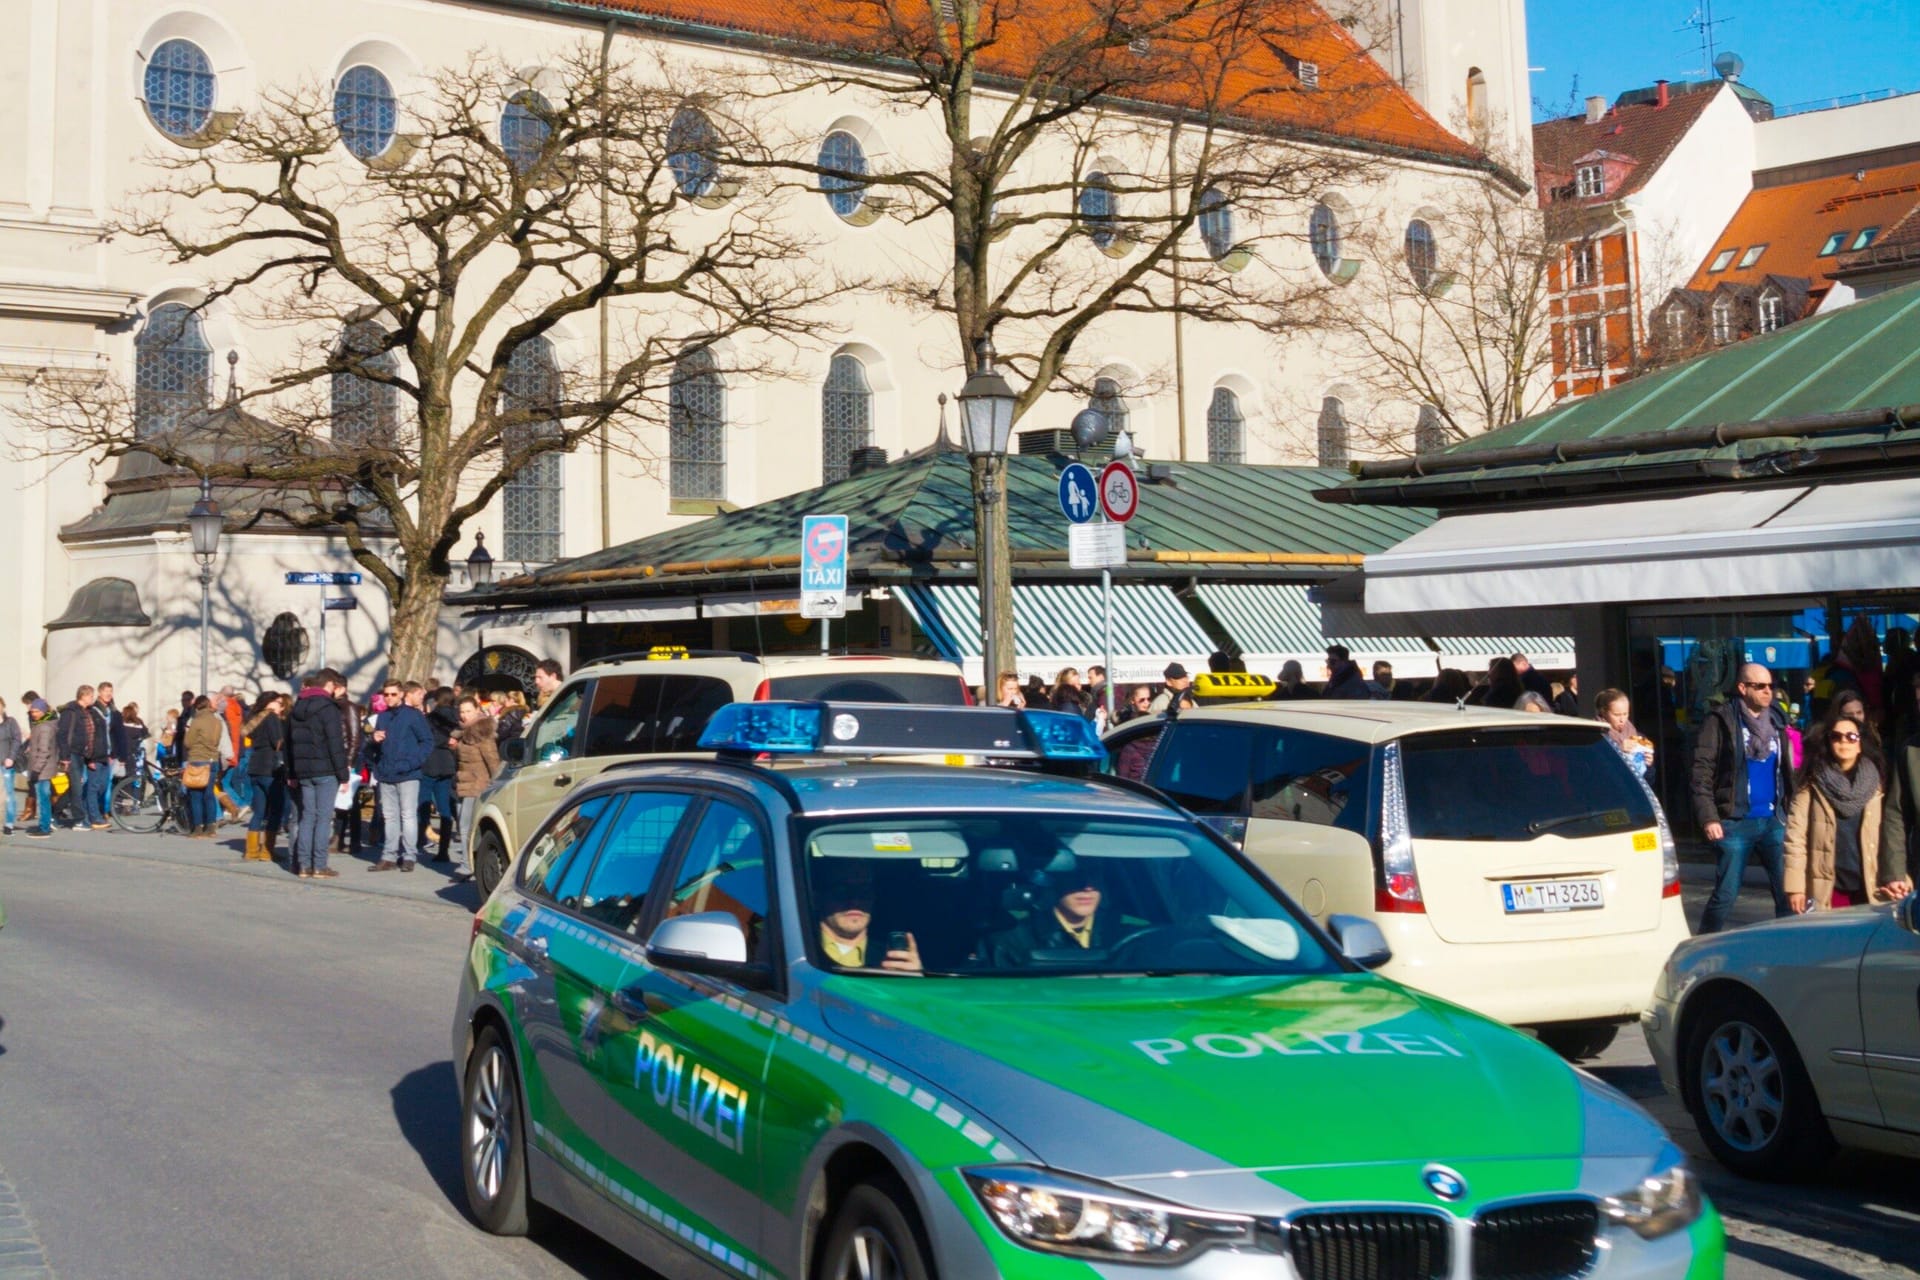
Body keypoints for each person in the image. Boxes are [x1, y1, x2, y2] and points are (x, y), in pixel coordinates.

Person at [1691, 663, 1795, 933]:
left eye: (1770, 686)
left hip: (1774, 819)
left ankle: (1790, 947)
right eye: (1760, 686)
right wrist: (1709, 817)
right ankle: (1703, 943)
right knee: (1726, 894)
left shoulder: (1777, 720)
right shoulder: (1720, 720)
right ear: (1742, 688)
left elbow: (1787, 771)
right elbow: (1702, 771)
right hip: (1735, 821)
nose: (1767, 691)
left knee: (1787, 891)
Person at [1785, 710, 1911, 912]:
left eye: (1851, 736)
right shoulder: (1811, 784)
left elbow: (1893, 831)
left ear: (1860, 743)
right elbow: (1795, 838)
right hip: (1828, 887)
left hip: (1872, 883)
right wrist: (1796, 887)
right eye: (1836, 736)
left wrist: (1899, 876)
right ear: (1828, 742)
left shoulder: (1879, 784)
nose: (1844, 741)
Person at [986, 861, 1115, 967]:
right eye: (1075, 876)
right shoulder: (1011, 941)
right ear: (1052, 881)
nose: (1088, 886)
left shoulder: (1127, 934)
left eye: (1094, 875)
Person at [289, 669, 349, 878]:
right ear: (329, 684)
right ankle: (319, 865)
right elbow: (336, 744)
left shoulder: (297, 706)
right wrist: (344, 775)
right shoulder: (328, 708)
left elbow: (289, 743)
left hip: (303, 771)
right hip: (326, 769)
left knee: (307, 817)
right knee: (323, 818)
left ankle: (304, 865)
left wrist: (292, 772)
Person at [367, 680, 433, 873]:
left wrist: (412, 763)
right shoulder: (382, 716)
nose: (389, 698)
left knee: (408, 815)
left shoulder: (413, 716)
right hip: (386, 772)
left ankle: (409, 856)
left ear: (402, 694)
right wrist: (374, 742)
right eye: (386, 694)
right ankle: (388, 855)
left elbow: (427, 741)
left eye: (393, 694)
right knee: (389, 817)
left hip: (408, 773)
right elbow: (373, 748)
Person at [813, 863, 919, 971]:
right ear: (817, 899)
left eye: (864, 891)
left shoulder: (893, 959)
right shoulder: (801, 951)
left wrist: (913, 982)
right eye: (842, 891)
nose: (855, 901)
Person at [451, 694, 501, 883]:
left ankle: (467, 865)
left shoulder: (481, 732)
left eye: (468, 711)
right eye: (462, 712)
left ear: (478, 710)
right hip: (464, 784)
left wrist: (495, 785)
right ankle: (468, 864)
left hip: (477, 785)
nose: (464, 715)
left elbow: (493, 761)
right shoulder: (463, 733)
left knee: (466, 827)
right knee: (464, 827)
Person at [56, 684, 111, 830]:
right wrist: (64, 757)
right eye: (91, 696)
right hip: (71, 754)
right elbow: (62, 735)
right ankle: (79, 820)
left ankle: (52, 813)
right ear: (84, 696)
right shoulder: (70, 711)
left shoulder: (87, 711)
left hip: (81, 754)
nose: (93, 698)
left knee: (74, 787)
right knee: (77, 787)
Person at [243, 692, 288, 863]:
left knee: (259, 811)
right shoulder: (272, 718)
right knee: (276, 809)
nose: (280, 705)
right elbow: (278, 741)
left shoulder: (255, 718)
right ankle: (267, 851)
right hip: (270, 767)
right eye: (278, 702)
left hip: (255, 766)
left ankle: (251, 850)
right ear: (270, 703)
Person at [421, 688, 460, 859]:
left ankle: (421, 840)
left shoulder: (430, 719)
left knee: (422, 804)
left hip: (430, 763)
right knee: (445, 807)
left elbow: (427, 739)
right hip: (448, 763)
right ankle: (443, 850)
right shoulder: (458, 718)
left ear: (436, 700)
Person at [180, 694, 225, 838]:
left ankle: (198, 827)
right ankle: (211, 827)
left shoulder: (196, 721)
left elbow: (188, 742)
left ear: (197, 706)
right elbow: (217, 740)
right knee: (209, 794)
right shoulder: (217, 721)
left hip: (198, 760)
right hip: (212, 760)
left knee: (195, 795)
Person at [1596, 688, 1654, 781]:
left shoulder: (1638, 737)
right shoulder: (1595, 737)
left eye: (1625, 714)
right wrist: (1618, 750)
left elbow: (1648, 781)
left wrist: (1648, 765)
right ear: (1603, 712)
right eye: (1616, 715)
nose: (1622, 720)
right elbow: (1596, 771)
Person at [23, 700, 59, 838]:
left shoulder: (44, 727)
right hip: (43, 768)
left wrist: (36, 770)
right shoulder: (41, 724)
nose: (34, 714)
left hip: (42, 769)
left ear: (43, 711)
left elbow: (44, 751)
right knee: (43, 798)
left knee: (43, 799)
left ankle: (44, 828)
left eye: (36, 711)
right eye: (32, 711)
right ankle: (43, 824)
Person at [0, 696, 21, 835]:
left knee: (8, 794)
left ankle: (8, 824)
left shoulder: (10, 722)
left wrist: (11, 757)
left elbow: (17, 739)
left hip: (5, 763)